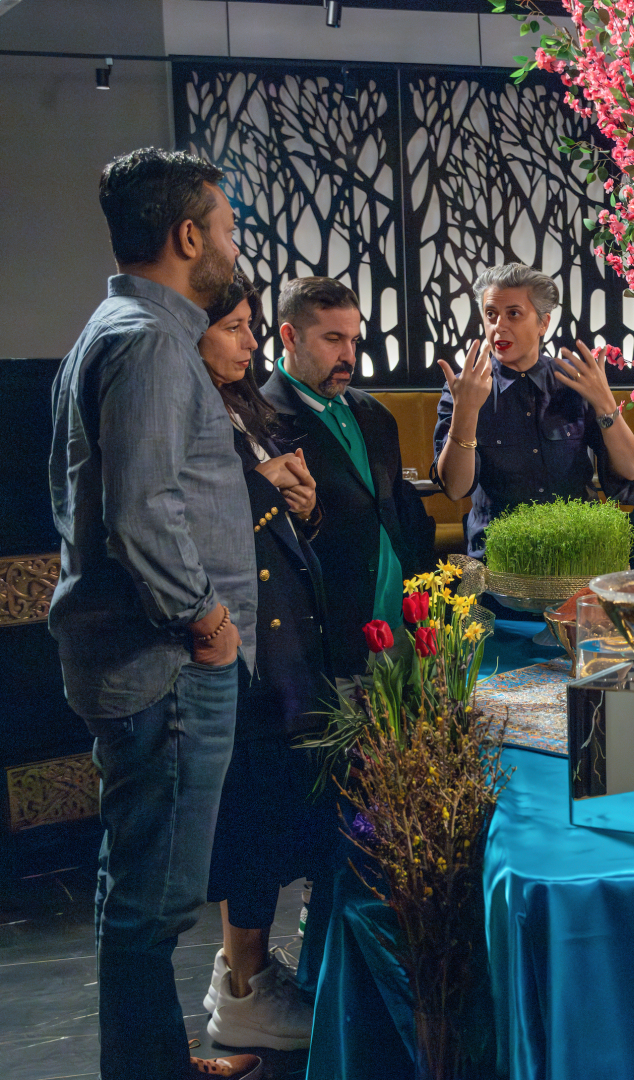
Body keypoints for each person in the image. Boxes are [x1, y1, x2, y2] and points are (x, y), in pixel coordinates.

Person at [49, 149, 263, 1080]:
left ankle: (151, 1060)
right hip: (169, 670)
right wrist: (209, 626)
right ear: (185, 236)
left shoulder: (127, 328)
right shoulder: (144, 340)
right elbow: (142, 513)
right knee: (152, 904)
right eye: (223, 226)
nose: (230, 241)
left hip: (155, 667)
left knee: (135, 890)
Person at [193, 272, 338, 1052]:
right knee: (245, 824)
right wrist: (263, 487)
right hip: (240, 647)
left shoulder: (247, 407)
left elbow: (271, 527)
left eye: (252, 327)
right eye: (237, 328)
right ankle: (242, 985)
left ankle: (259, 975)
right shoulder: (189, 413)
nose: (252, 342)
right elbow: (199, 518)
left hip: (290, 641)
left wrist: (301, 505)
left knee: (283, 809)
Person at [259, 276, 433, 677]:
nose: (349, 355)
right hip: (325, 641)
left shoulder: (375, 414)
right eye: (333, 339)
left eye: (354, 340)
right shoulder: (261, 423)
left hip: (404, 624)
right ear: (290, 336)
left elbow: (398, 515)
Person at [432, 263, 634, 559]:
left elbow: (629, 471)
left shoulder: (574, 382)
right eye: (491, 315)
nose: (499, 326)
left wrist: (606, 405)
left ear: (543, 323)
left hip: (579, 560)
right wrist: (465, 413)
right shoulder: (464, 389)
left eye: (513, 314)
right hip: (499, 563)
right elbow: (455, 488)